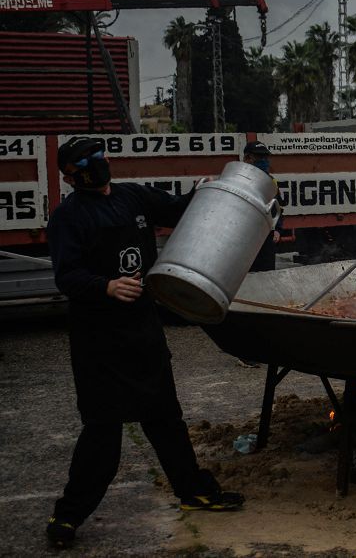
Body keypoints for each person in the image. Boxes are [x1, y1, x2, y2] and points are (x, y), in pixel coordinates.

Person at [45, 137, 243, 550]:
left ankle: (194, 491)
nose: (98, 164)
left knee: (165, 419)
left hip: (142, 331)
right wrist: (106, 286)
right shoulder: (68, 217)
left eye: (100, 157)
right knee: (102, 433)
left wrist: (202, 194)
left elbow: (174, 210)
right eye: (86, 162)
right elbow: (67, 275)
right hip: (99, 340)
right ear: (69, 176)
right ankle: (68, 515)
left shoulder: (133, 196)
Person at [243, 140, 284, 272]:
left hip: (267, 235)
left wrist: (277, 229)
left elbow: (278, 207)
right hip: (244, 236)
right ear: (247, 158)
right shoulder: (239, 178)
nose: (264, 161)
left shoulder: (271, 181)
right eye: (260, 157)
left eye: (266, 157)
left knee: (267, 275)